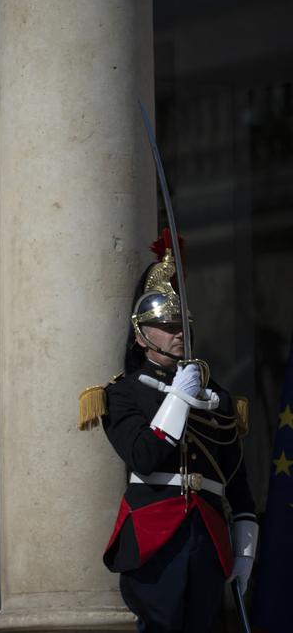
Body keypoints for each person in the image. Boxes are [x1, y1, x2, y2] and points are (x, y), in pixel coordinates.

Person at [99, 233, 257, 631]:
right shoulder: (123, 393)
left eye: (182, 324)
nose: (178, 333)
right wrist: (179, 401)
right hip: (155, 530)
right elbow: (144, 456)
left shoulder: (214, 393)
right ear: (141, 335)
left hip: (207, 531)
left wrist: (245, 548)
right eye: (166, 326)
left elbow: (236, 477)